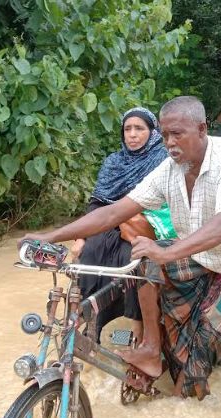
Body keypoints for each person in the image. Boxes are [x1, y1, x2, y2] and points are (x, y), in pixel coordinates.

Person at [20, 96, 221, 399]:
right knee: (145, 258)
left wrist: (168, 252)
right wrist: (50, 238)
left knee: (202, 347)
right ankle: (150, 347)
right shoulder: (168, 171)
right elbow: (111, 212)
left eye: (178, 134)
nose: (170, 143)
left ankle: (187, 395)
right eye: (165, 134)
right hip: (203, 253)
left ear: (202, 129)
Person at [70, 107, 175, 343]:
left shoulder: (164, 161)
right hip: (109, 226)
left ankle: (137, 329)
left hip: (146, 227)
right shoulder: (113, 162)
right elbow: (97, 203)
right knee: (89, 253)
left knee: (133, 261)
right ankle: (93, 322)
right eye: (128, 129)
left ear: (153, 132)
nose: (132, 134)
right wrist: (80, 238)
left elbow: (170, 204)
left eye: (139, 128)